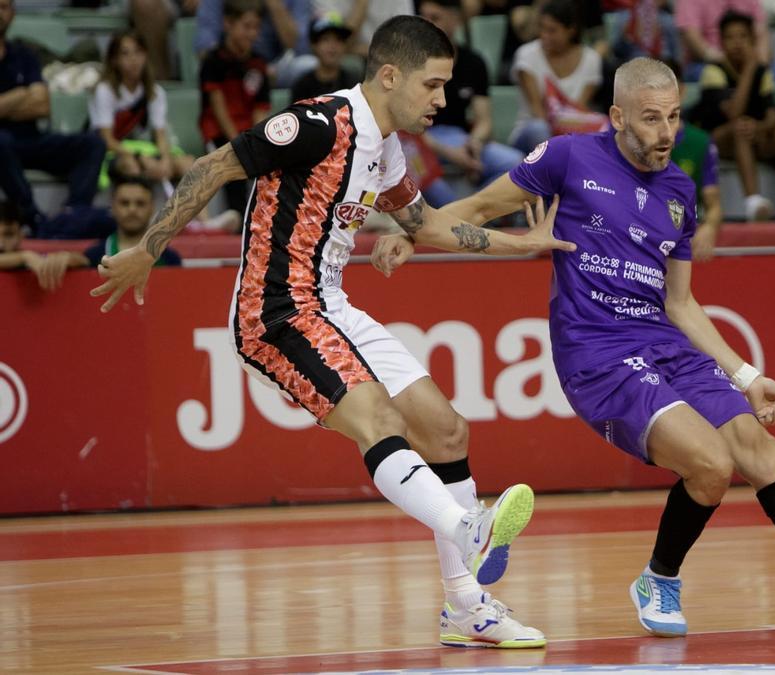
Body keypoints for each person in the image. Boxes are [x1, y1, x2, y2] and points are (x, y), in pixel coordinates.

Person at [374, 56, 775, 641]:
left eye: (674, 117)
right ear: (617, 116)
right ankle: (661, 579)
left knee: (758, 446)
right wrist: (410, 236)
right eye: (651, 119)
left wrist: (747, 374)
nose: (666, 132)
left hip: (664, 342)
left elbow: (681, 303)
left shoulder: (679, 188)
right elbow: (473, 209)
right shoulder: (568, 157)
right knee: (710, 464)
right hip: (597, 355)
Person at [91, 15, 573, 650]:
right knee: (381, 422)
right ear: (391, 75)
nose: (442, 100)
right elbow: (211, 167)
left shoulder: (388, 148)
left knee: (447, 429)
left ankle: (465, 608)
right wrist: (146, 250)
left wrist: (525, 245)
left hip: (332, 304)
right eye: (433, 86)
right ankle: (467, 528)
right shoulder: (316, 126)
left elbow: (424, 226)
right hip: (276, 313)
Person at [0, 0, 106, 233]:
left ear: (13, 13)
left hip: (30, 139)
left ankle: (73, 217)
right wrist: (21, 94)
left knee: (93, 143)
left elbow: (42, 105)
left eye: (4, 7)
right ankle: (34, 218)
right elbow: (33, 97)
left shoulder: (23, 55)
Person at [690, 11, 775, 221]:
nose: (737, 43)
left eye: (742, 37)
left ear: (752, 39)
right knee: (739, 126)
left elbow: (773, 115)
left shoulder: (763, 72)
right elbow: (733, 113)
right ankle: (753, 200)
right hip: (718, 141)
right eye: (731, 38)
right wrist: (750, 68)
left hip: (753, 135)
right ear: (721, 42)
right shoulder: (713, 71)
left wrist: (759, 127)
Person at [418, 0, 525, 196]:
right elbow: (407, 129)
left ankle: (478, 203)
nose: (427, 24)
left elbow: (484, 120)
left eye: (435, 18)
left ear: (455, 19)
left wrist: (473, 143)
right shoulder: (413, 62)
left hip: (461, 138)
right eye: (423, 17)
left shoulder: (473, 62)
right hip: (423, 139)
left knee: (517, 164)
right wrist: (453, 153)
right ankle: (470, 207)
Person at [90, 30, 195, 187]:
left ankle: (205, 213)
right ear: (114, 60)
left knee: (189, 164)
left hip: (145, 151)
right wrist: (140, 157)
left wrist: (165, 160)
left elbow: (160, 135)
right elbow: (106, 140)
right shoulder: (104, 91)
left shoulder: (155, 92)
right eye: (125, 54)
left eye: (138, 52)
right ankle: (142, 210)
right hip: (114, 154)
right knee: (131, 166)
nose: (133, 59)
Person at [199, 0, 272, 219]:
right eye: (246, 26)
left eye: (256, 27)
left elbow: (261, 109)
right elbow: (218, 108)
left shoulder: (259, 64)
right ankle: (238, 219)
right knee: (233, 161)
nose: (252, 33)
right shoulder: (212, 61)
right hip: (219, 132)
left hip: (249, 132)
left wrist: (258, 141)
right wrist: (240, 144)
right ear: (228, 24)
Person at [509, 0, 603, 153]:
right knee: (540, 129)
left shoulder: (591, 59)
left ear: (571, 30)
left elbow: (578, 110)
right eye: (542, 28)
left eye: (552, 31)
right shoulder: (526, 55)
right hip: (530, 130)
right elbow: (538, 112)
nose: (544, 35)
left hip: (571, 129)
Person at [667, 60, 721, 261]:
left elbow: (713, 203)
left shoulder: (700, 142)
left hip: (680, 239)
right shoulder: (626, 141)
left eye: (668, 86)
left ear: (681, 89)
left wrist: (709, 226)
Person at [195, 0, 314, 88]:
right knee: (209, 68)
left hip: (275, 67)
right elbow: (205, 46)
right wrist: (241, 66)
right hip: (230, 65)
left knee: (309, 66)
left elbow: (298, 46)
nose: (252, 33)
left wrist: (274, 5)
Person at [84, 175, 182, 268]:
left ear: (152, 207)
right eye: (124, 203)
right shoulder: (93, 257)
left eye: (140, 203)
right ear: (112, 207)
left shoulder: (170, 259)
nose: (132, 209)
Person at [0, 200, 89, 291]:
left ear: (21, 235)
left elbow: (85, 261)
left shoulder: (33, 260)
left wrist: (70, 258)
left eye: (8, 235)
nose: (1, 244)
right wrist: (24, 256)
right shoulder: (28, 256)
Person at [674, 0, 769, 78]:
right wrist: (728, 64)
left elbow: (762, 35)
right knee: (712, 76)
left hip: (748, 60)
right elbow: (692, 38)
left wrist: (760, 65)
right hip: (705, 62)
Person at [290, 14, 359, 102]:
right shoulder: (302, 87)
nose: (332, 46)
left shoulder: (354, 85)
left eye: (338, 39)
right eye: (325, 39)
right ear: (314, 45)